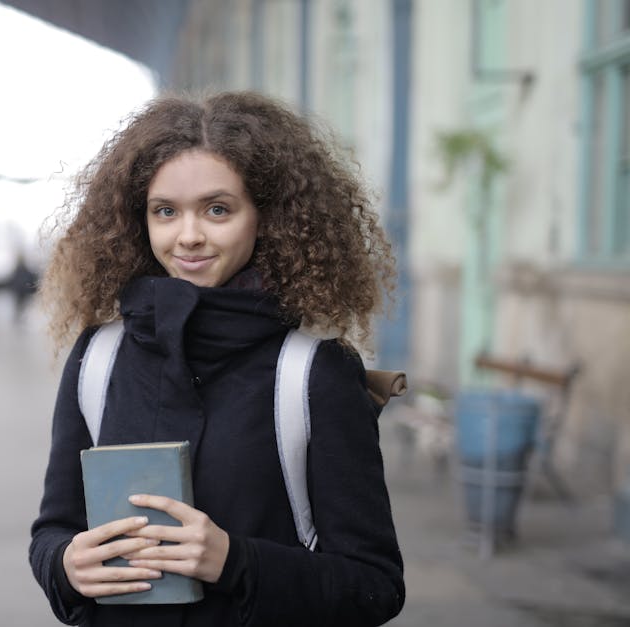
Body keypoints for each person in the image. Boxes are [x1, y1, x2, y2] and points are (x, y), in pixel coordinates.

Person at [29, 92, 404, 626]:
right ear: (141, 222)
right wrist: (65, 566)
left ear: (266, 217)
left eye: (218, 209)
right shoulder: (99, 357)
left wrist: (235, 562)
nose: (189, 235)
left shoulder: (311, 373)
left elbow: (376, 585)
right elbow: (52, 530)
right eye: (165, 211)